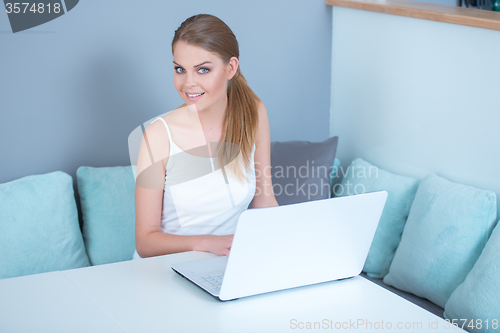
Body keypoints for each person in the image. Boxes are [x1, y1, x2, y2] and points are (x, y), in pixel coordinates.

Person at [133, 14, 278, 259]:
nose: (188, 83)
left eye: (202, 70)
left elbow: (265, 202)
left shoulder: (254, 112)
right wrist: (207, 243)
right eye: (180, 69)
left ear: (231, 68)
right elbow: (145, 242)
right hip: (164, 270)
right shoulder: (158, 135)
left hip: (229, 267)